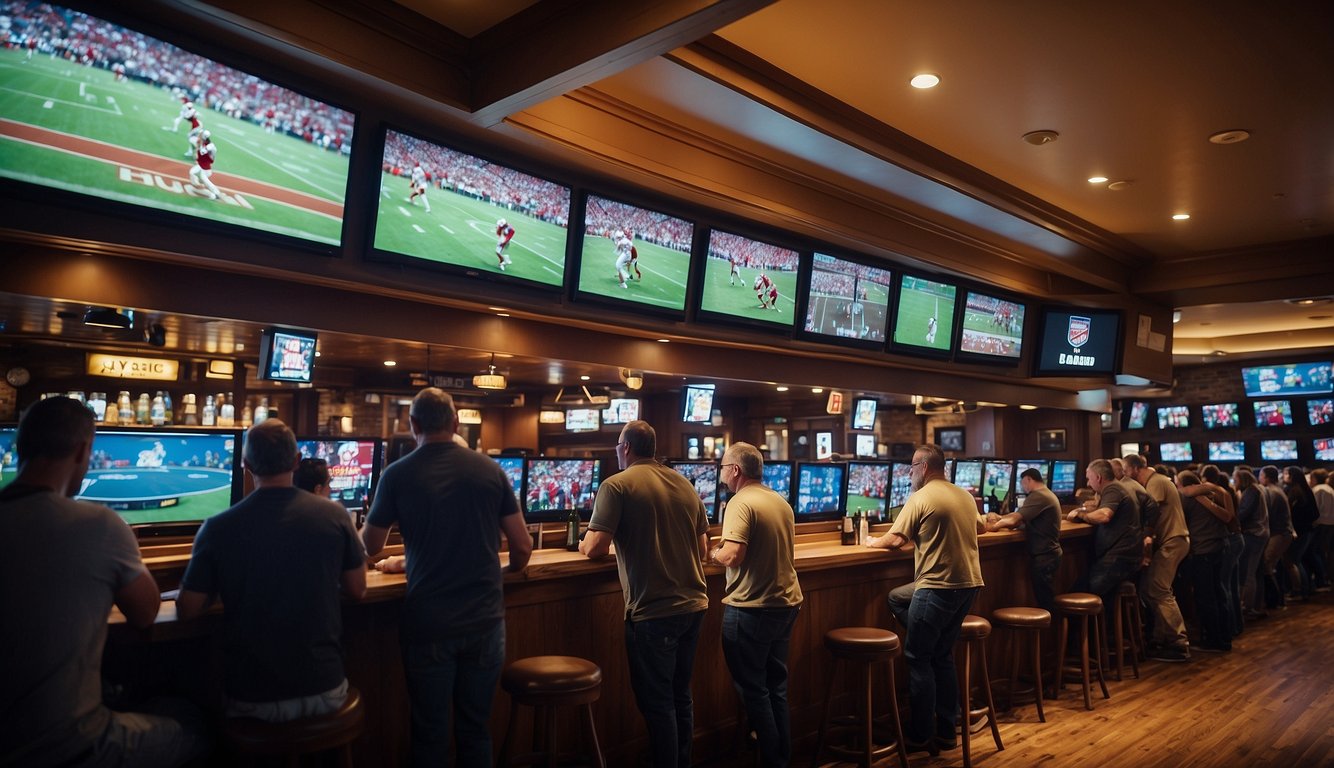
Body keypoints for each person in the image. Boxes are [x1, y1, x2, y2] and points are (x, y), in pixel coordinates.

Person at [1, 397, 206, 766]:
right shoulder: (100, 525)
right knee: (192, 718)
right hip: (70, 745)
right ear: (83, 451)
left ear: (20, 448)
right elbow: (146, 614)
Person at [362, 388, 532, 767]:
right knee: (475, 731)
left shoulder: (397, 475)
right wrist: (500, 571)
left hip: (429, 623)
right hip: (485, 622)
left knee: (431, 735)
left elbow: (369, 547)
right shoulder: (490, 471)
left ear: (413, 426)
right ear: (456, 424)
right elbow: (522, 547)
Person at [178, 419, 367, 722]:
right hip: (325, 689)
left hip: (252, 698)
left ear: (246, 464)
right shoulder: (335, 515)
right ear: (296, 461)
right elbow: (357, 589)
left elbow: (187, 609)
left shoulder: (217, 528)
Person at [580, 420, 709, 768]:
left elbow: (594, 548)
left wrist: (580, 541)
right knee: (680, 696)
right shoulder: (685, 484)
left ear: (625, 448)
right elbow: (703, 550)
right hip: (695, 605)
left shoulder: (616, 485)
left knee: (657, 703)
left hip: (653, 611)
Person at [867, 444, 984, 754]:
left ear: (923, 467)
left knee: (918, 659)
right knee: (939, 654)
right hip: (968, 586)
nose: (909, 473)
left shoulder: (921, 497)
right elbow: (981, 529)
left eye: (911, 468)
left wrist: (869, 542)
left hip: (937, 587)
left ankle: (919, 736)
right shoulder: (964, 495)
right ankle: (947, 732)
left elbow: (894, 540)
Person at [709, 442, 803, 767]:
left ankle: (773, 760)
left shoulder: (740, 501)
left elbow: (733, 554)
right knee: (775, 686)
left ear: (735, 470)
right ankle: (782, 758)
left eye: (722, 467)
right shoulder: (780, 501)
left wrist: (712, 553)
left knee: (754, 690)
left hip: (752, 607)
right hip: (786, 604)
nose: (720, 473)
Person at [1123, 454, 1191, 662]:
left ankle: (1179, 643)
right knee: (1150, 589)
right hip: (1174, 540)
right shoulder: (1159, 481)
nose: (1125, 475)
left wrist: (1145, 547)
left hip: (1172, 541)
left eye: (1126, 470)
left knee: (1157, 589)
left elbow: (1150, 516)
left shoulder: (1157, 482)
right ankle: (1161, 638)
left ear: (1135, 469)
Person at [984, 466, 1061, 613]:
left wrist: (989, 527)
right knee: (1045, 600)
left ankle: (1051, 634)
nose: (1022, 487)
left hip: (1044, 555)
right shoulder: (1046, 493)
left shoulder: (1038, 495)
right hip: (1049, 554)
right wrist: (1001, 518)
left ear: (1028, 479)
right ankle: (1053, 634)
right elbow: (1019, 517)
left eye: (1022, 483)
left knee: (1045, 603)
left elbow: (1014, 520)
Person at [1067, 459, 1142, 608]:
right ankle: (1103, 630)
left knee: (1079, 593)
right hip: (1126, 556)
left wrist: (1081, 515)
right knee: (1085, 588)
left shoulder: (1113, 489)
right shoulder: (1117, 488)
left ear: (1099, 478)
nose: (1088, 483)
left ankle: (1077, 631)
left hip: (1120, 558)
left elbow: (1104, 515)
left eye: (1089, 478)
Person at [1177, 471, 1235, 652]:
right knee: (1219, 593)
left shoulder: (1187, 498)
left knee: (1205, 597)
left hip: (1202, 550)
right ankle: (1225, 637)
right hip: (1221, 547)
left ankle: (1213, 640)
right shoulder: (1216, 494)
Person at [1232, 468, 1270, 619]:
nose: (1234, 482)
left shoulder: (1251, 491)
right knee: (1252, 571)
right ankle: (1251, 605)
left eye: (1236, 479)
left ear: (1243, 480)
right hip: (1259, 534)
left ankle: (1248, 607)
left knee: (1248, 572)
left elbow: (1243, 514)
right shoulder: (1253, 490)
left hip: (1254, 534)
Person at [1259, 465, 1295, 608]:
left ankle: (1274, 601)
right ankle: (1278, 599)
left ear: (1267, 477)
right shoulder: (1277, 490)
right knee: (1275, 566)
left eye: (1261, 475)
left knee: (1266, 565)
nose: (1259, 478)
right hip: (1282, 532)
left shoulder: (1271, 492)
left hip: (1279, 533)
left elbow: (1268, 515)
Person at [1311, 468, 1334, 590]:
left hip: (1321, 524)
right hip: (1330, 524)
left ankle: (1321, 579)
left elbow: (1316, 509)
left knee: (1317, 552)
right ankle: (1326, 577)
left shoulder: (1318, 489)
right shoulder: (1329, 489)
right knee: (1325, 552)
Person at [188, 129, 221, 200]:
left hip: (206, 167)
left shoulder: (210, 145)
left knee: (204, 178)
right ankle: (197, 183)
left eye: (200, 135)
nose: (199, 136)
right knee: (192, 172)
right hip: (202, 164)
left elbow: (202, 152)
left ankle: (216, 193)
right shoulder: (204, 143)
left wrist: (198, 146)